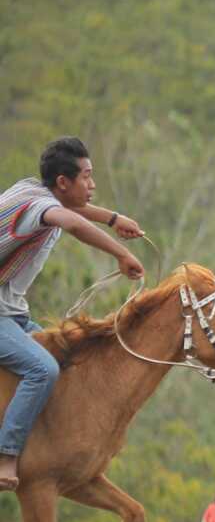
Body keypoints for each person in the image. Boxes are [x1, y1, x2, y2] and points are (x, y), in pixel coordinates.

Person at [0, 137, 145, 492]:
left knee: (68, 355)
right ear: (63, 182)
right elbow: (73, 222)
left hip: (12, 312)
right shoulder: (40, 209)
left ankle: (49, 449)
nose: (92, 185)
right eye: (86, 177)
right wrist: (120, 253)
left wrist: (113, 219)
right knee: (42, 368)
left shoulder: (34, 191)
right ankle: (7, 453)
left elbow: (71, 212)